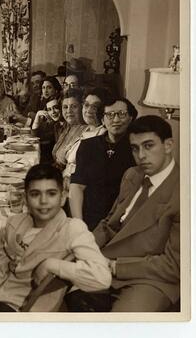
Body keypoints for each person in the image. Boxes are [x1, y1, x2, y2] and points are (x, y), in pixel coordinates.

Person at [0, 164, 111, 312]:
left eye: (51, 194)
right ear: (25, 199)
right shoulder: (14, 223)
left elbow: (102, 277)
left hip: (22, 302)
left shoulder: (72, 229)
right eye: (35, 194)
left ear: (63, 198)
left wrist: (53, 265)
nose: (43, 201)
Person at [67, 116, 179, 312]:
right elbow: (109, 225)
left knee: (121, 324)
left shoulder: (184, 192)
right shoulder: (133, 175)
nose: (141, 155)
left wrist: (115, 266)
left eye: (148, 146)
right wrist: (80, 244)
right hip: (106, 261)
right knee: (50, 296)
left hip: (151, 279)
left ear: (168, 145)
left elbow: (174, 265)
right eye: (135, 148)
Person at [69, 96, 138, 230]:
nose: (116, 120)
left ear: (130, 118)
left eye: (122, 114)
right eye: (110, 115)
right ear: (102, 120)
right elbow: (77, 186)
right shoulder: (88, 146)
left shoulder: (137, 148)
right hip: (89, 217)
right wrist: (79, 225)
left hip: (122, 220)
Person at [61, 87, 109, 194]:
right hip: (64, 184)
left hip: (75, 191)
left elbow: (91, 177)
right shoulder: (86, 129)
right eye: (86, 105)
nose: (88, 110)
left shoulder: (102, 135)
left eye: (95, 107)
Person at [52, 88, 87, 171]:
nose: (69, 111)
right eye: (65, 107)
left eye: (74, 106)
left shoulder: (86, 132)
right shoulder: (67, 127)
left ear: (82, 107)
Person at [30, 97, 65, 164]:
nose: (53, 112)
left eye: (56, 107)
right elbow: (34, 138)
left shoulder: (65, 125)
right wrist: (37, 118)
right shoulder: (56, 125)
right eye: (49, 109)